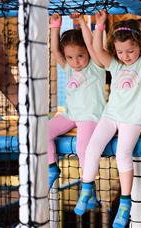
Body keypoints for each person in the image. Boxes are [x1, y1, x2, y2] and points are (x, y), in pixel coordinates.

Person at [73, 2, 141, 227]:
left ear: (139, 45)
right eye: (120, 52)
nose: (126, 56)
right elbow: (98, 51)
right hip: (111, 115)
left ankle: (125, 203)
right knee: (92, 148)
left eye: (130, 51)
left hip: (132, 119)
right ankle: (87, 188)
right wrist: (98, 26)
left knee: (122, 155)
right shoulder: (116, 65)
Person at [47, 13, 106, 191]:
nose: (75, 62)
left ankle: (88, 186)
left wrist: (81, 21)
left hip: (90, 116)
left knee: (82, 148)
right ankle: (51, 168)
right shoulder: (68, 67)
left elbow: (91, 43)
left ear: (88, 52)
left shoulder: (97, 66)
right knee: (41, 133)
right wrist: (55, 27)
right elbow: (56, 51)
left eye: (80, 56)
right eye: (70, 58)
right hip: (70, 114)